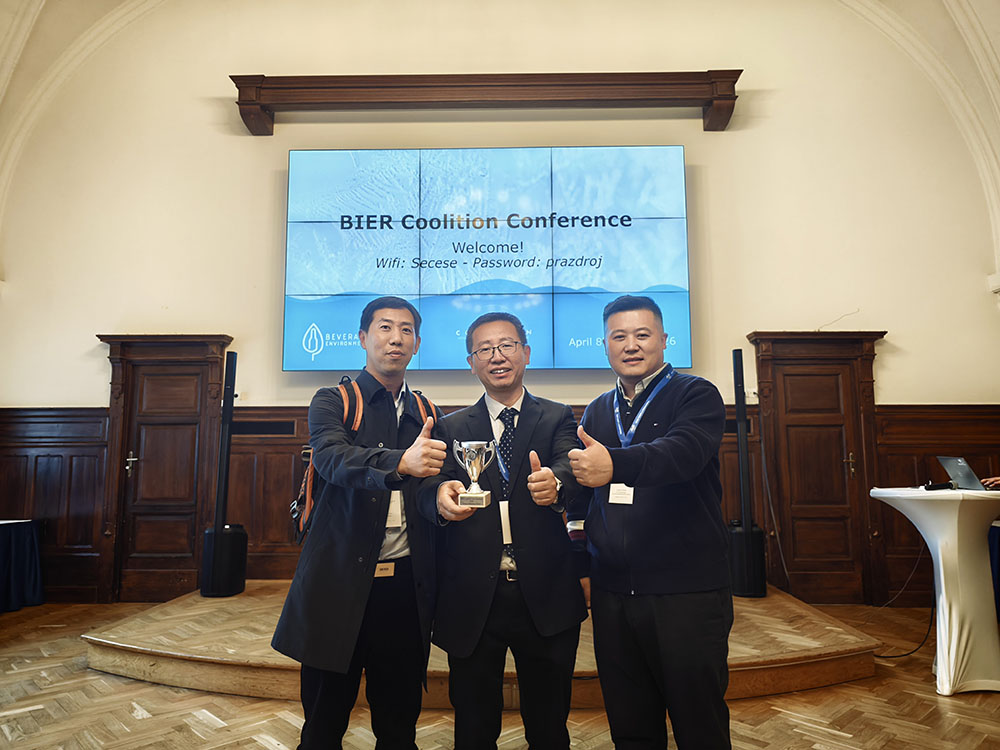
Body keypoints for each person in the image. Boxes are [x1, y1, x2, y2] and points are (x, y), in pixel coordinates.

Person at [271, 296, 446, 750]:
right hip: (338, 584)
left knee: (399, 725)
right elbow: (332, 458)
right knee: (323, 724)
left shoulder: (427, 411)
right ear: (364, 338)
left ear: (417, 344)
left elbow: (431, 485)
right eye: (385, 327)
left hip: (405, 588)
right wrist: (400, 462)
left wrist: (443, 497)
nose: (396, 338)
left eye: (406, 330)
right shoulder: (333, 400)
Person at [567, 295, 733, 750]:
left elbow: (682, 454)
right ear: (605, 345)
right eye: (619, 336)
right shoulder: (598, 409)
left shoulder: (696, 394)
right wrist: (581, 559)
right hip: (613, 593)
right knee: (630, 722)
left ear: (663, 339)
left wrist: (615, 465)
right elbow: (582, 498)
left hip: (685, 592)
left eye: (642, 335)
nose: (631, 345)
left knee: (698, 722)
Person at [418, 311, 588, 750]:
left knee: (549, 726)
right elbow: (430, 486)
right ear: (471, 363)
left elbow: (569, 465)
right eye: (485, 349)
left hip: (544, 593)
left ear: (526, 353)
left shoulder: (556, 416)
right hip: (474, 597)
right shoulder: (452, 426)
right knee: (474, 727)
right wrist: (439, 497)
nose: (497, 356)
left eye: (507, 345)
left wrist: (556, 483)